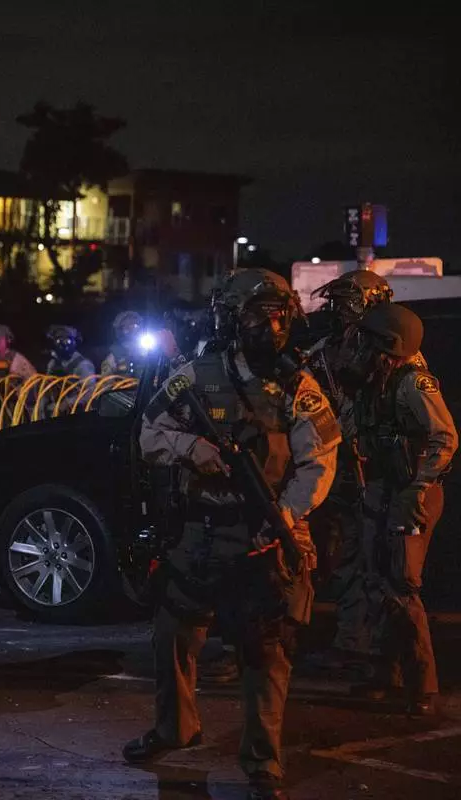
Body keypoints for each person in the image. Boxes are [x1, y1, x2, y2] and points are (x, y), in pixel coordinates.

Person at [123, 269, 340, 800]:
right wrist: (193, 449)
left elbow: (319, 462)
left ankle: (263, 761)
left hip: (264, 535)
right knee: (174, 634)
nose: (271, 326)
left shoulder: (298, 385)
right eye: (258, 315)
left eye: (279, 315)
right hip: (200, 531)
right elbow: (150, 433)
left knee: (266, 652)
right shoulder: (197, 376)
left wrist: (283, 515)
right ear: (232, 319)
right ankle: (175, 728)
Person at [339, 303, 456, 716]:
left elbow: (445, 438)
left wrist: (417, 490)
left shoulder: (412, 384)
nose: (360, 347)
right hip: (381, 489)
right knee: (375, 580)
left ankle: (422, 684)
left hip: (411, 493)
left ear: (390, 345)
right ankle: (384, 673)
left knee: (402, 585)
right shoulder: (374, 380)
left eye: (369, 341)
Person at [301, 270, 394, 670]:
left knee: (374, 560)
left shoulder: (390, 348)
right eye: (337, 303)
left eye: (346, 302)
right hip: (336, 465)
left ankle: (374, 648)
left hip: (375, 470)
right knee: (341, 555)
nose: (339, 310)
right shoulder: (326, 350)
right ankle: (351, 639)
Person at [101, 310, 144, 375]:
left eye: (134, 325)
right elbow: (106, 378)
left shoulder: (145, 348)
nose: (131, 329)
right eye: (127, 326)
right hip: (124, 381)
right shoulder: (115, 354)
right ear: (120, 329)